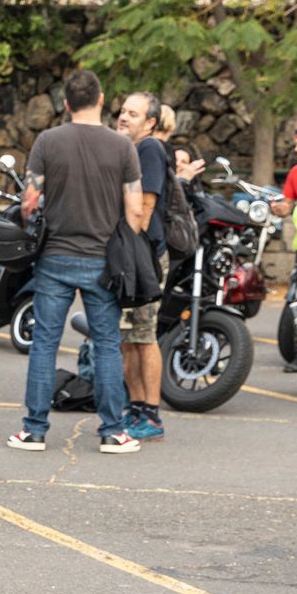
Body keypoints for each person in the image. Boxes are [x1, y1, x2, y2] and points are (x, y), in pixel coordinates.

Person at [8, 69, 145, 454]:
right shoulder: (122, 147)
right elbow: (135, 210)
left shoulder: (48, 141)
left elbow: (29, 203)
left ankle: (33, 430)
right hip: (103, 260)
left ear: (66, 103)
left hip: (55, 258)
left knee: (45, 345)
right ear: (101, 100)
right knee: (106, 344)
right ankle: (113, 430)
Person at [113, 91, 170, 441]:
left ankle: (150, 414)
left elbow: (145, 207)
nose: (123, 117)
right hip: (133, 254)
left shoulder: (149, 149)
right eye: (122, 111)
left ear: (149, 122)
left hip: (143, 255)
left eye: (132, 114)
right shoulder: (129, 149)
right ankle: (135, 407)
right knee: (129, 339)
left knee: (144, 337)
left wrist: (127, 252)